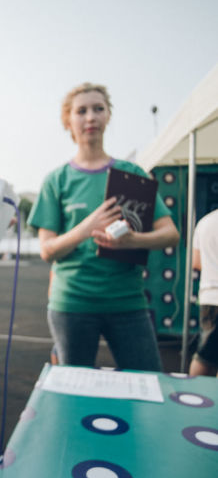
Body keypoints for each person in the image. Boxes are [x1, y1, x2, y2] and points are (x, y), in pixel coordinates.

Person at [28, 82, 179, 371]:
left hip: (128, 301)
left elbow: (170, 233)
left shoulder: (132, 174)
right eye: (81, 111)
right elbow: (47, 251)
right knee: (75, 389)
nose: (90, 117)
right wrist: (86, 227)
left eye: (98, 108)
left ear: (108, 116)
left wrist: (132, 240)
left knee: (146, 381)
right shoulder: (56, 180)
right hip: (72, 304)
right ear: (68, 120)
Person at [189, 208, 218, 377]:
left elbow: (196, 263)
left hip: (209, 297)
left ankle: (195, 394)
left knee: (205, 354)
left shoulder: (204, 222)